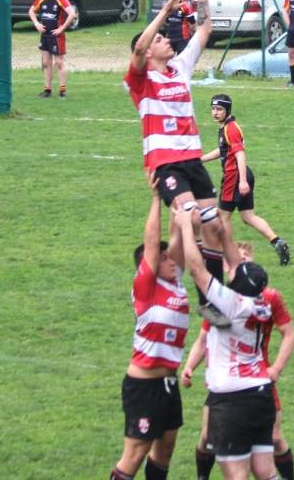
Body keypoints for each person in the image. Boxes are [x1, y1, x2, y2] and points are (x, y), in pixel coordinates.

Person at [125, 0, 237, 327]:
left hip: (191, 161)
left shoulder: (181, 67)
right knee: (188, 218)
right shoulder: (141, 81)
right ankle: (178, 287)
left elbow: (205, 27)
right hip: (167, 164)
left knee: (215, 227)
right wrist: (164, 11)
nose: (166, 40)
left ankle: (213, 299)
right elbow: (140, 49)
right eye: (160, 38)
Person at [174, 207, 277, 480]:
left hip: (232, 400)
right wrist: (224, 232)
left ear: (239, 284)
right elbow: (234, 266)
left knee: (236, 475)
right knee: (265, 472)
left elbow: (197, 271)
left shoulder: (231, 305)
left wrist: (188, 228)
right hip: (261, 394)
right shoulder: (262, 304)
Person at [183, 242, 294, 480]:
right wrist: (190, 366)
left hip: (234, 391)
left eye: (245, 259)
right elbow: (204, 337)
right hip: (257, 386)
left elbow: (199, 280)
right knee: (261, 467)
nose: (241, 262)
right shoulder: (260, 303)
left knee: (240, 472)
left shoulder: (228, 304)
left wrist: (192, 231)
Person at [110, 182, 189, 480]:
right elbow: (154, 244)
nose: (170, 261)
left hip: (168, 385)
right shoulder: (146, 289)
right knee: (135, 454)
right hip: (143, 386)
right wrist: (156, 199)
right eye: (163, 259)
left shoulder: (175, 283)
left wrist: (175, 196)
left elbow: (173, 238)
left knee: (165, 449)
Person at [201, 93, 291, 266]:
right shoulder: (226, 127)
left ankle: (226, 257)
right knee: (247, 216)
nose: (215, 112)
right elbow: (224, 150)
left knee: (223, 218)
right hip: (240, 176)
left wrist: (242, 181)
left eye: (219, 109)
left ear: (227, 110)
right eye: (213, 109)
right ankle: (277, 242)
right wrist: (202, 159)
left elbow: (240, 154)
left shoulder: (231, 128)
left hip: (234, 177)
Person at [29, 0, 77, 98]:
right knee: (46, 63)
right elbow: (31, 11)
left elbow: (72, 14)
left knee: (59, 63)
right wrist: (36, 23)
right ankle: (47, 90)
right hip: (44, 36)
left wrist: (61, 28)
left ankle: (62, 91)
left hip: (57, 36)